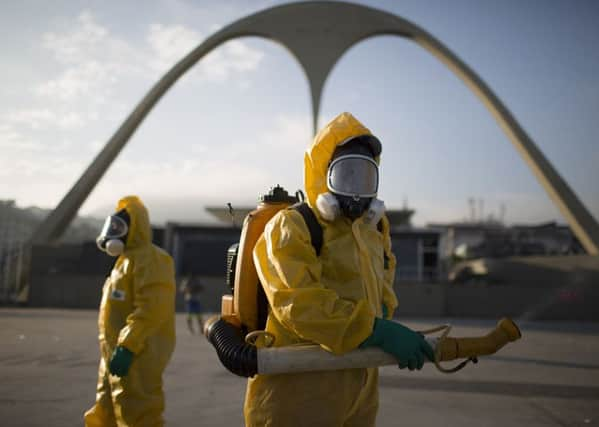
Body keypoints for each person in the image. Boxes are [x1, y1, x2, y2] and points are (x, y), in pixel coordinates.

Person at [244, 112, 434, 426]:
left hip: (359, 393)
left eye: (365, 177)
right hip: (296, 398)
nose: (357, 190)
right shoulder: (292, 226)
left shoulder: (374, 233)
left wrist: (384, 323)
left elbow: (384, 293)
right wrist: (375, 331)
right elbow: (299, 304)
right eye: (346, 175)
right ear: (323, 174)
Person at [84, 195, 176, 427]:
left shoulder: (152, 260)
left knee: (137, 412)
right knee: (105, 412)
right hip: (114, 354)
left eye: (119, 227)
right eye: (111, 226)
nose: (113, 232)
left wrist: (128, 346)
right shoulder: (124, 261)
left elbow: (152, 309)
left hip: (137, 354)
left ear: (135, 227)